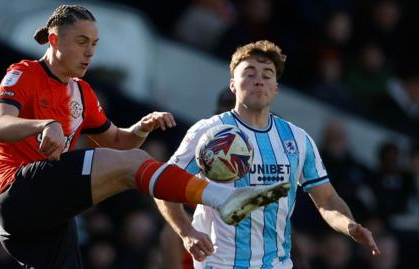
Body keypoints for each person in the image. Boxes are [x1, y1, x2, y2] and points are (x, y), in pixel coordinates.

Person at [0, 5, 290, 269]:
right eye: (81, 42)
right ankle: (222, 198)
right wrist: (43, 124)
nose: (90, 52)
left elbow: (117, 142)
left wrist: (141, 128)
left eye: (94, 43)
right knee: (135, 164)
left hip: (46, 215)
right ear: (54, 40)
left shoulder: (82, 92)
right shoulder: (25, 72)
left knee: (133, 162)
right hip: (15, 190)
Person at [155, 40, 380, 269]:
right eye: (250, 73)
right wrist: (186, 231)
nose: (259, 80)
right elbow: (162, 185)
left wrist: (349, 225)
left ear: (276, 87)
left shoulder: (297, 139)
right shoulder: (208, 133)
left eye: (267, 74)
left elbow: (328, 199)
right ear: (233, 84)